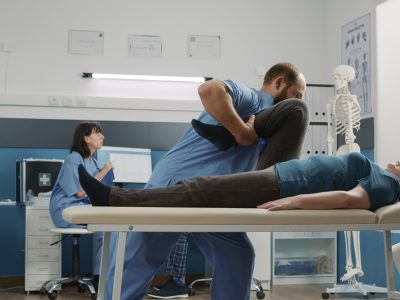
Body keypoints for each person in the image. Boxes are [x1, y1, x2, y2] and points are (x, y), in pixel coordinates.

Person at [103, 62, 308, 300]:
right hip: (175, 183)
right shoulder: (255, 99)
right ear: (279, 83)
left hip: (211, 196)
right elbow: (209, 90)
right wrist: (242, 132)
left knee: (237, 255)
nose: (297, 101)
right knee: (138, 261)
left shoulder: (270, 124)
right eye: (297, 94)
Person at [79, 151, 400, 212]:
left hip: (284, 186)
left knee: (200, 188)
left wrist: (294, 201)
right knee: (200, 187)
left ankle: (113, 198)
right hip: (282, 178)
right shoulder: (385, 176)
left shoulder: (387, 183)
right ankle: (114, 197)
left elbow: (350, 200)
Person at [49, 121, 113, 289]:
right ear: (86, 138)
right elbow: (80, 193)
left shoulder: (94, 162)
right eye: (97, 133)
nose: (102, 136)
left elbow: (98, 190)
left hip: (82, 209)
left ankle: (100, 275)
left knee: (108, 227)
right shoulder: (73, 159)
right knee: (104, 226)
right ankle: (99, 278)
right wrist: (104, 171)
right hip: (65, 210)